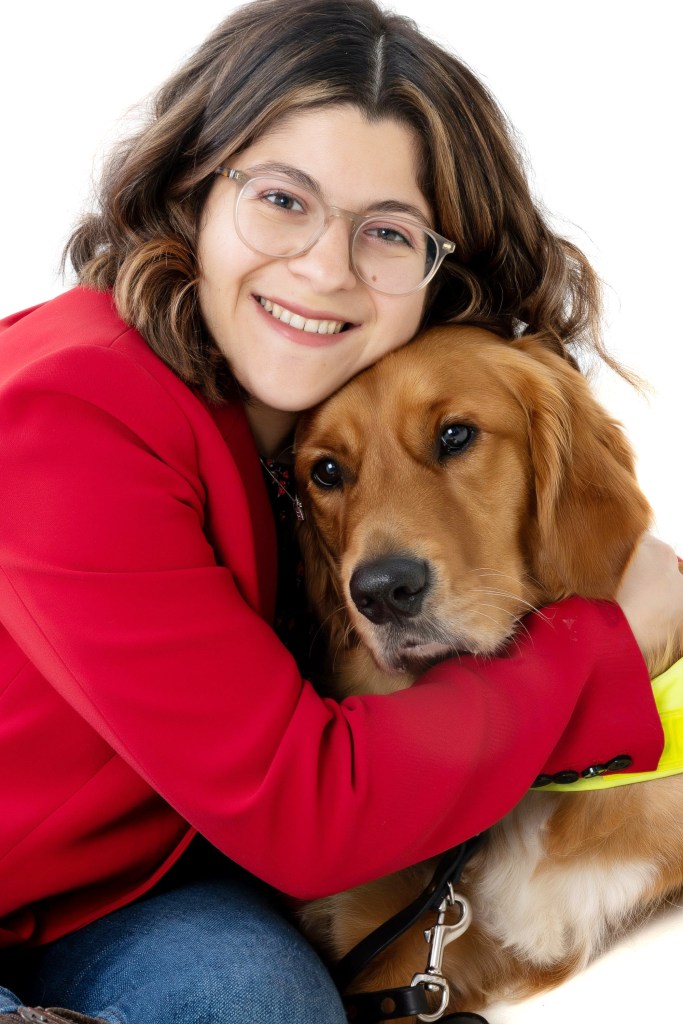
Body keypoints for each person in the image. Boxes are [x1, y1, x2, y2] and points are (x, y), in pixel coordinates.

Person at [1, 1, 682, 1022]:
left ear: (436, 267)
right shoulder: (68, 410)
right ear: (189, 194)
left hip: (112, 895)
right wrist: (606, 642)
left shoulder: (308, 425)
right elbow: (306, 809)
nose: (324, 267)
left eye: (386, 232)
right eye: (283, 200)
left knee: (263, 999)